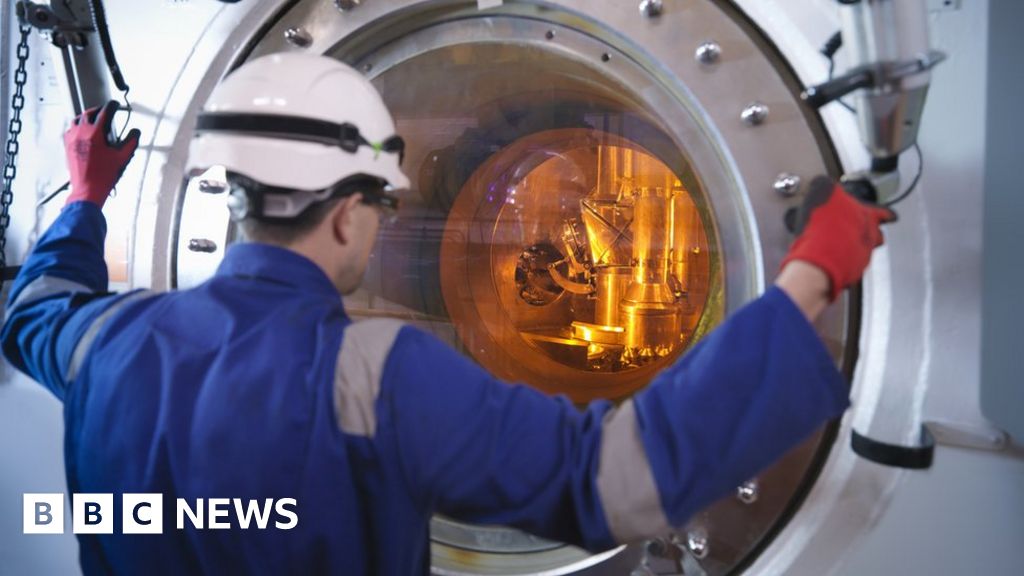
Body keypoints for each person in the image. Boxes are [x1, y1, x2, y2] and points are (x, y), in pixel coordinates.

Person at [1, 53, 894, 575]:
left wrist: (84, 198)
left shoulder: (108, 341)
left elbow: (30, 309)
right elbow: (613, 481)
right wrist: (812, 276)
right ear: (349, 211)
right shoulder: (371, 374)